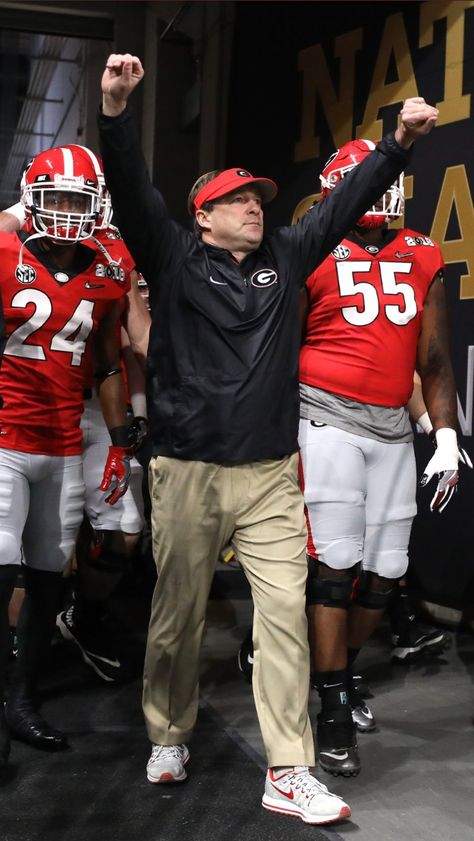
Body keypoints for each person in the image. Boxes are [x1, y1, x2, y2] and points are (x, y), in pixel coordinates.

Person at [98, 51, 438, 826]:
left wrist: (400, 143)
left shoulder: (286, 257)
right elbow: (131, 191)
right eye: (237, 200)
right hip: (186, 472)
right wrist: (115, 113)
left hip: (269, 476)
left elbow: (347, 201)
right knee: (176, 615)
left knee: (285, 612)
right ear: (204, 216)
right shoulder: (174, 256)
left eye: (258, 197)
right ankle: (169, 730)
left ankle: (289, 766)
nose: (255, 206)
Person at [298, 138, 463, 778]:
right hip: (324, 414)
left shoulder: (421, 250)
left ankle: (330, 672)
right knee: (334, 566)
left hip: (393, 424)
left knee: (387, 571)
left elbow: (436, 356)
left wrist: (444, 437)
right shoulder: (310, 247)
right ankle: (335, 707)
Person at [0, 145, 132, 771]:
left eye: (81, 200)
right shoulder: (4, 252)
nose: (69, 212)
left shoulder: (108, 268)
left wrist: (121, 435)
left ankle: (23, 701)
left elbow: (107, 357)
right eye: (57, 198)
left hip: (63, 439)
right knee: (2, 572)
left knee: (50, 574)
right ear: (31, 199)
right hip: (5, 437)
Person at [53, 145, 151, 683]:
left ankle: (82, 616)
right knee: (34, 543)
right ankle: (26, 652)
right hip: (39, 402)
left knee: (126, 533)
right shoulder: (18, 234)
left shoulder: (115, 250)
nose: (74, 207)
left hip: (100, 404)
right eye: (62, 195)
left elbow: (137, 335)